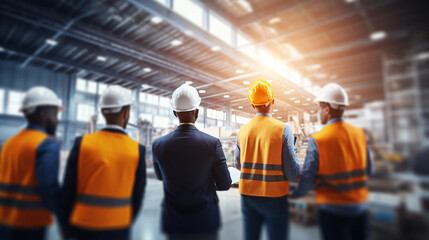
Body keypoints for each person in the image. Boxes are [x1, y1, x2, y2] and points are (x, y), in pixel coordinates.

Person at [59, 85, 146, 240]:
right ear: (126, 113)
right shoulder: (137, 150)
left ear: (102, 112)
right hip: (119, 226)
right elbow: (138, 195)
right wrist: (125, 219)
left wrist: (65, 225)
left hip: (82, 225)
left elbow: (68, 190)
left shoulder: (82, 143)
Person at [290, 83, 373, 240]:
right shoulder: (360, 134)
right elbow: (369, 170)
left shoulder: (319, 139)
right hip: (360, 207)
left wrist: (296, 193)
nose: (318, 113)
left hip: (332, 210)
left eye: (318, 109)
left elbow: (308, 176)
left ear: (327, 109)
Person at [152, 84, 231, 240]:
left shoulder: (158, 144)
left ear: (175, 112)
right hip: (204, 222)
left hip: (174, 222)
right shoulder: (212, 143)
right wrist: (206, 183)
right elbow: (225, 184)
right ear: (197, 112)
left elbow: (161, 177)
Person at [235, 79, 300, 240]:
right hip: (275, 196)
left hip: (248, 195)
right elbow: (293, 172)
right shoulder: (283, 129)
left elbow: (238, 164)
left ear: (252, 105)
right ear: (273, 101)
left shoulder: (243, 130)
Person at [0, 86, 64, 240]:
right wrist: (64, 220)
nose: (57, 119)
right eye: (55, 114)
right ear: (43, 114)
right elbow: (49, 189)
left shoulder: (10, 143)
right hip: (30, 224)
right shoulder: (46, 144)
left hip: (4, 222)